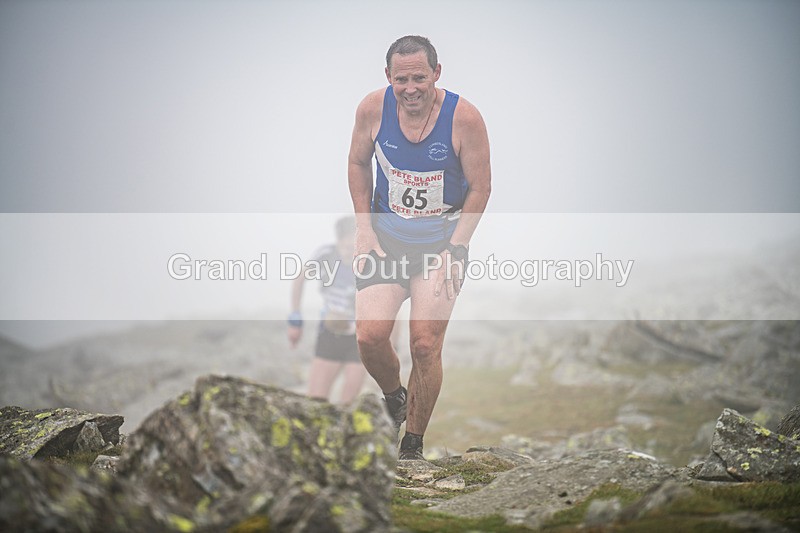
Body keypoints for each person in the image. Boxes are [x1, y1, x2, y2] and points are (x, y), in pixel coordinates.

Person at [347, 35, 491, 460]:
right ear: (388, 77)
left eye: (420, 78)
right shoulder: (372, 109)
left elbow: (481, 188)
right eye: (402, 79)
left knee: (425, 344)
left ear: (437, 74)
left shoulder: (464, 119)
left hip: (440, 246)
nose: (411, 88)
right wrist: (364, 229)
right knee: (370, 336)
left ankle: (412, 446)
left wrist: (457, 248)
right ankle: (394, 398)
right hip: (386, 241)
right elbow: (357, 162)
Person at [287, 216, 366, 404]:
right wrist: (295, 319)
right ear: (338, 241)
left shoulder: (370, 258)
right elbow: (300, 278)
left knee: (348, 405)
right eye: (345, 247)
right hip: (331, 333)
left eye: (352, 247)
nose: (348, 252)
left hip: (361, 337)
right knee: (316, 402)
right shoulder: (326, 254)